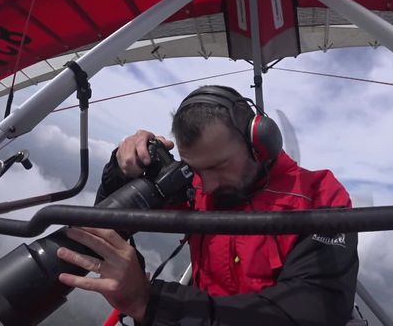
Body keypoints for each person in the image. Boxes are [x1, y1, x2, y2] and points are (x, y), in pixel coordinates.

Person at [56, 85, 359, 325]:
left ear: (260, 144)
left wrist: (151, 303)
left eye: (220, 166)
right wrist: (122, 169)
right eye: (197, 169)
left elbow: (313, 309)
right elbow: (110, 221)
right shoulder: (197, 184)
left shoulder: (321, 197)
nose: (208, 184)